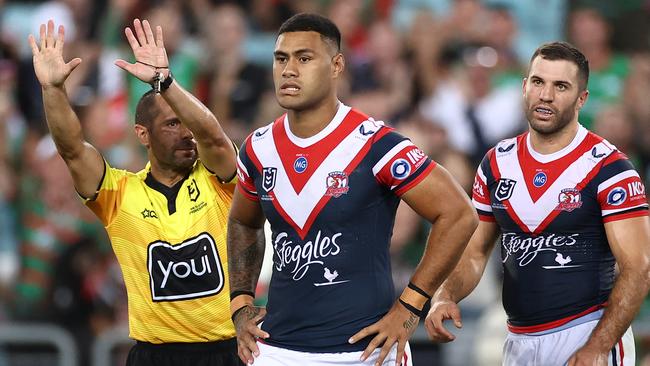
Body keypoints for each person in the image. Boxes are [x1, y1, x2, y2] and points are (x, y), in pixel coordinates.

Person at [227, 13, 478, 366]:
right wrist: (240, 302)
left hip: (366, 353)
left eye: (304, 58)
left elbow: (458, 213)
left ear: (336, 65)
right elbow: (242, 222)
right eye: (281, 58)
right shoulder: (257, 147)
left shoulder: (376, 144)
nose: (288, 70)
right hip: (276, 349)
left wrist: (409, 307)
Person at [29, 19, 242, 365]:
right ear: (143, 134)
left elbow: (215, 138)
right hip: (154, 354)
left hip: (224, 350)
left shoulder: (218, 179)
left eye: (187, 122)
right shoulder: (119, 194)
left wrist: (167, 83)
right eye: (172, 124)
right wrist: (53, 89)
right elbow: (72, 150)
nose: (186, 132)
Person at [425, 41, 650, 366]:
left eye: (561, 86)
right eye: (538, 82)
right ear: (524, 86)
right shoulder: (495, 164)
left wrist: (599, 346)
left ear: (581, 98)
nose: (546, 95)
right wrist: (446, 295)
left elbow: (639, 269)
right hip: (518, 340)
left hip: (587, 334)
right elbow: (474, 253)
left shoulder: (610, 168)